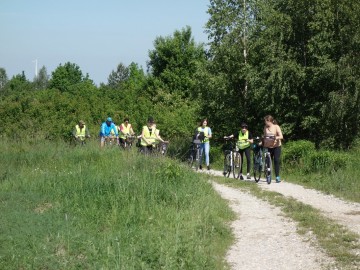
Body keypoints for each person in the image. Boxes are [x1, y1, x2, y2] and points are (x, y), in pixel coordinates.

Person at [263, 115, 283, 183]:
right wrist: (262, 142)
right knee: (268, 161)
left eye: (266, 121)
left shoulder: (276, 127)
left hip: (276, 146)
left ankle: (277, 177)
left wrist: (275, 138)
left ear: (269, 121)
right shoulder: (265, 127)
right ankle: (268, 175)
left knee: (276, 160)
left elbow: (281, 136)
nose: (265, 123)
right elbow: (265, 136)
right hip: (268, 146)